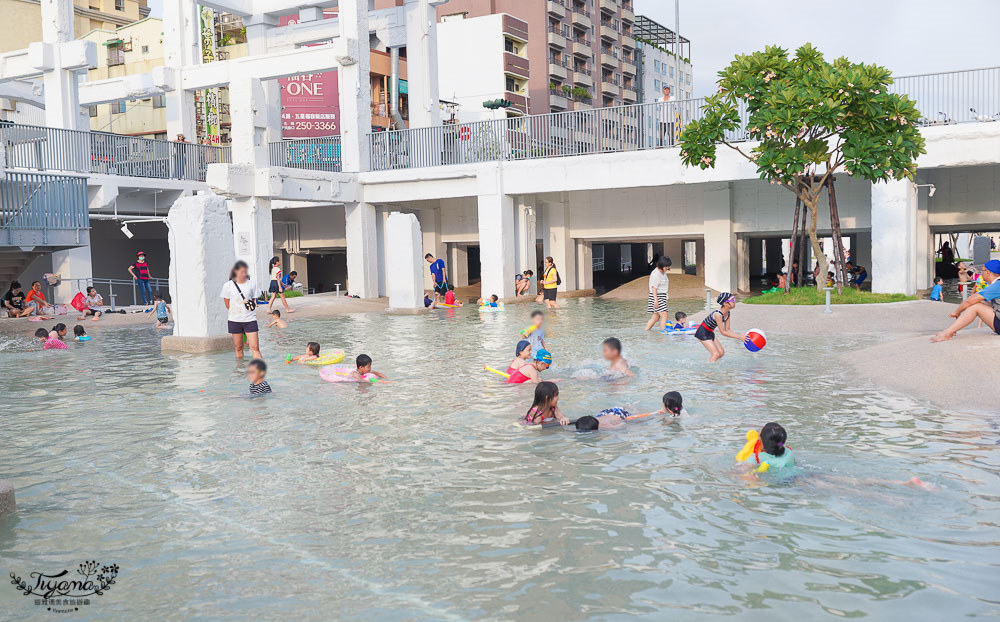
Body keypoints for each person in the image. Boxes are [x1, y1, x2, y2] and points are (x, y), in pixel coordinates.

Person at [932, 259, 1000, 342]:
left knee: (975, 306)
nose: (980, 273)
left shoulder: (997, 285)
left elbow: (970, 300)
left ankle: (947, 333)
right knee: (979, 302)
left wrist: (957, 312)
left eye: (982, 270)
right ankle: (953, 329)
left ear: (988, 272)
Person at [221, 260, 262, 360]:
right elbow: (227, 303)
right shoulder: (228, 285)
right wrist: (236, 311)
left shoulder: (252, 284)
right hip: (234, 320)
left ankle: (259, 370)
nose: (243, 273)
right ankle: (240, 371)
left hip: (250, 319)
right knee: (238, 347)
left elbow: (253, 301)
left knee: (255, 347)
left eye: (244, 271)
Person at [695, 292, 743, 363]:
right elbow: (723, 332)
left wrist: (740, 336)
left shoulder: (727, 313)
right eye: (732, 299)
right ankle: (709, 371)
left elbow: (728, 330)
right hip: (702, 333)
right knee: (715, 354)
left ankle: (710, 363)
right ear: (725, 303)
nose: (734, 301)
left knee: (721, 353)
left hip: (710, 332)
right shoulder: (718, 314)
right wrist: (739, 337)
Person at [644, 256, 671, 331]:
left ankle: (646, 331)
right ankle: (664, 332)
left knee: (655, 318)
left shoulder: (663, 272)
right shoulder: (656, 274)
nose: (667, 268)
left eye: (668, 266)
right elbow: (654, 287)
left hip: (661, 296)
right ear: (661, 265)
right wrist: (656, 300)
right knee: (665, 315)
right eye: (666, 266)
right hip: (657, 296)